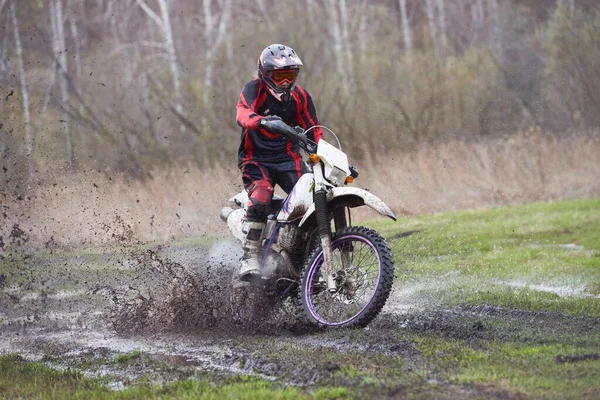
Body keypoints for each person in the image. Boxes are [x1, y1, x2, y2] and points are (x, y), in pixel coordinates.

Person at [235, 44, 323, 281]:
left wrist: (326, 154)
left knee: (313, 198)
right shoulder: (254, 89)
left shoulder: (301, 97)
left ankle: (306, 259)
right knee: (262, 192)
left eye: (290, 75)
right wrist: (261, 122)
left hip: (288, 160)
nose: (285, 82)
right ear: (265, 73)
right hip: (256, 160)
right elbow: (242, 112)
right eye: (280, 75)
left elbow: (314, 130)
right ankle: (250, 256)